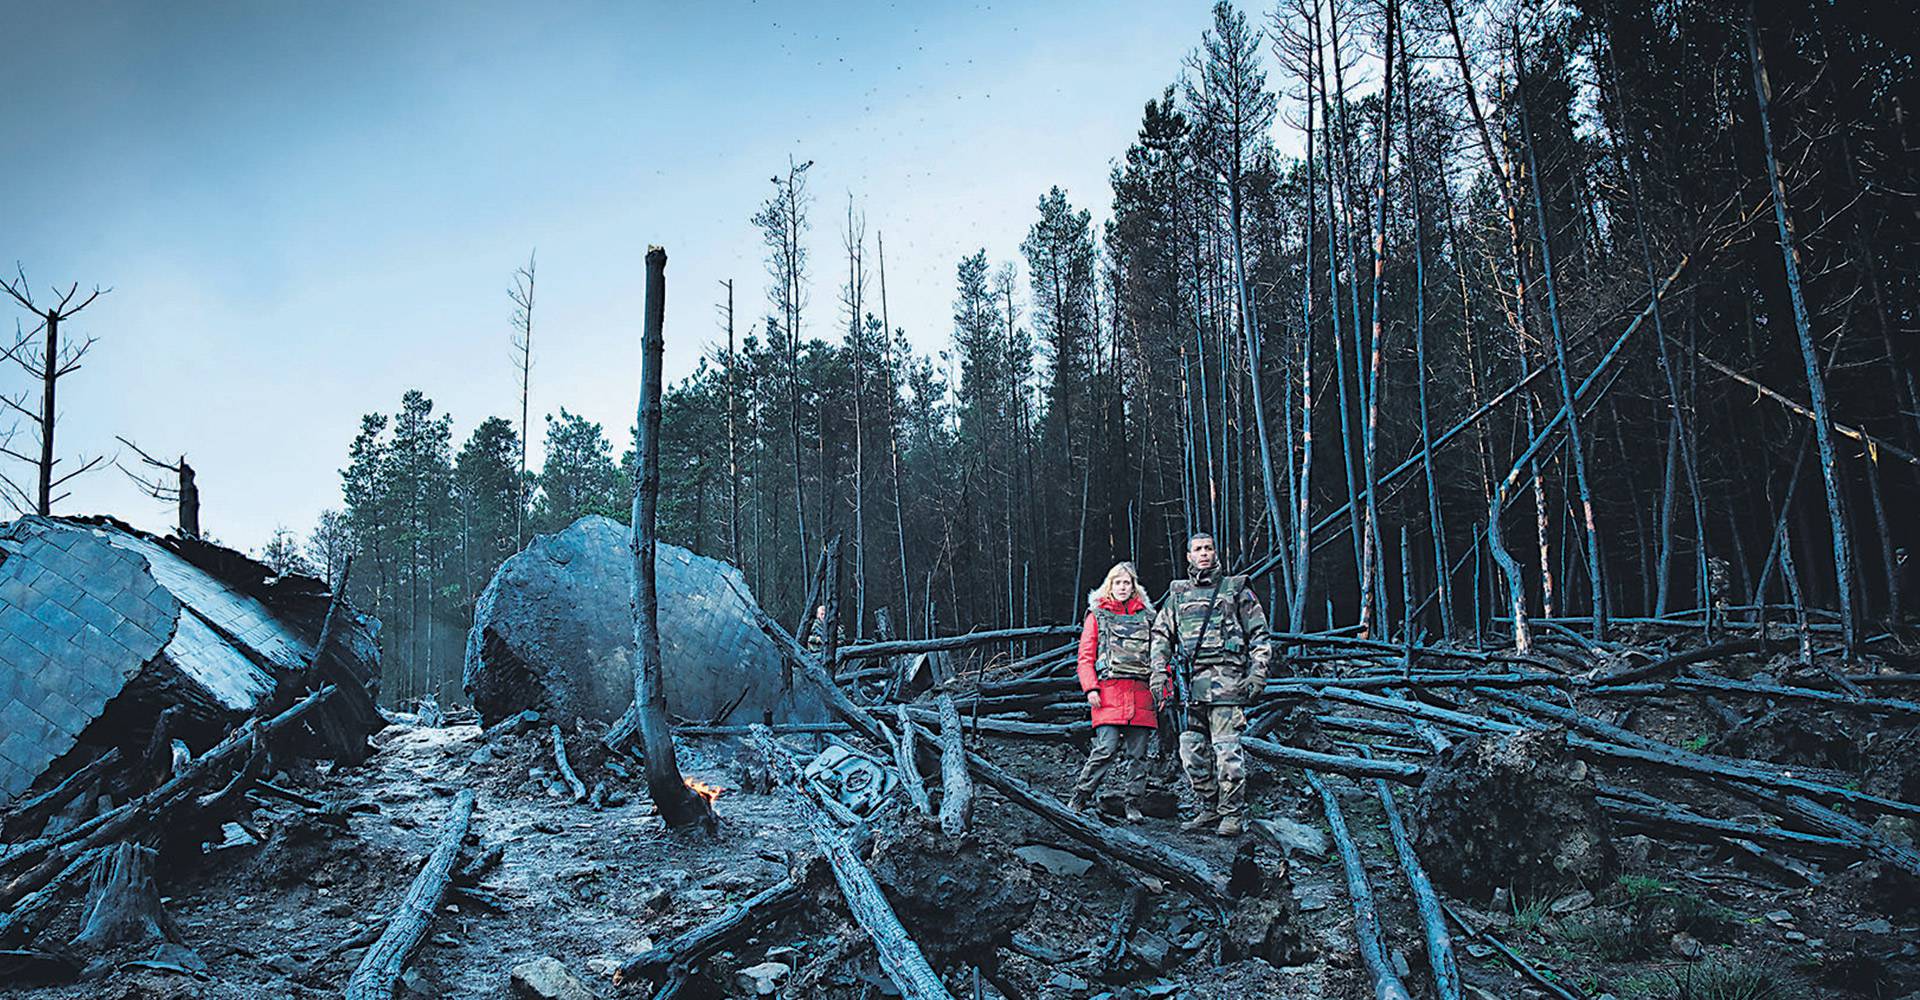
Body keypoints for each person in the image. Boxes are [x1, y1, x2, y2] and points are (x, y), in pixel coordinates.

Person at [1149, 533, 1271, 838]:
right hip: (1191, 686)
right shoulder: (1177, 594)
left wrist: (1257, 673)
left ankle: (1231, 813)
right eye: (1198, 549)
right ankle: (1209, 805)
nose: (1204, 554)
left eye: (1209, 548)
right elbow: (1161, 636)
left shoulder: (1236, 589)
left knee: (1227, 752)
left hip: (1228, 684)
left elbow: (1259, 636)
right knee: (1190, 751)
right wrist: (1158, 673)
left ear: (1216, 552)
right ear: (1189, 556)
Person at [1067, 561, 1159, 822]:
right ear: (1110, 585)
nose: (1122, 587)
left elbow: (1161, 657)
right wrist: (1090, 688)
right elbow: (1085, 658)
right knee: (1105, 749)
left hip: (1141, 693)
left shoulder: (1149, 618)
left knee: (1139, 755)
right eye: (1117, 582)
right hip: (1108, 693)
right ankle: (1079, 797)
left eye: (1126, 583)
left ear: (1133, 587)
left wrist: (1163, 691)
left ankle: (1133, 805)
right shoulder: (1097, 615)